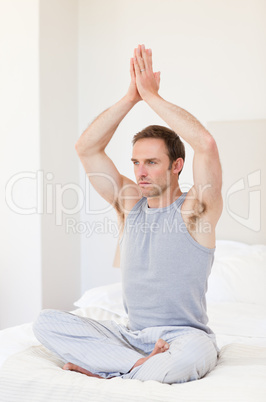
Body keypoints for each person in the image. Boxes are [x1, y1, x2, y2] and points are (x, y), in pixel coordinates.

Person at [33, 44, 223, 384]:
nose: (140, 172)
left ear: (177, 166)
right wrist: (130, 98)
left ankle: (108, 370)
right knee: (46, 322)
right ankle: (136, 365)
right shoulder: (130, 205)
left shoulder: (196, 210)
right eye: (136, 162)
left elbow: (205, 144)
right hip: (133, 338)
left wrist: (151, 97)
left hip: (184, 338)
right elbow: (86, 148)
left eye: (151, 162)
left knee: (192, 357)